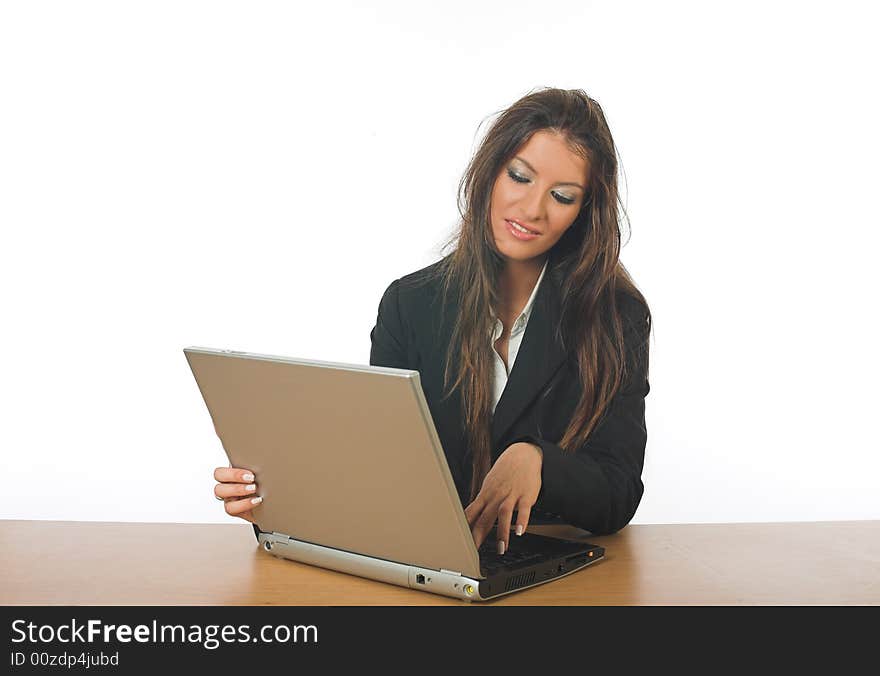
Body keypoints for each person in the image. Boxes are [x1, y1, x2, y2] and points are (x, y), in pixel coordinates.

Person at [213, 87, 652, 558]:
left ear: (584, 213)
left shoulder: (614, 316)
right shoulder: (410, 304)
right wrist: (280, 502)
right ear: (489, 173)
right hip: (432, 567)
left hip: (551, 570)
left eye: (562, 196)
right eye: (520, 177)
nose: (531, 210)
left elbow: (618, 492)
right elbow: (382, 469)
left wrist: (539, 462)